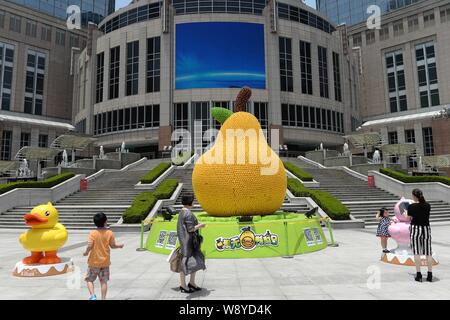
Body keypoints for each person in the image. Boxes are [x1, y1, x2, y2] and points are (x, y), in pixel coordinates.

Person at [83, 212, 124, 300]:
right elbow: (112, 246)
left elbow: (90, 245)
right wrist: (119, 246)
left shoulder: (93, 233)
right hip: (105, 262)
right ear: (106, 221)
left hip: (93, 262)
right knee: (103, 281)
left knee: (89, 280)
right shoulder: (109, 233)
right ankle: (103, 298)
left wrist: (86, 252)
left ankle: (93, 296)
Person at [177, 195, 206, 293]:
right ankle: (183, 285)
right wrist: (200, 226)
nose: (194, 203)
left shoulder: (182, 212)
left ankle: (191, 283)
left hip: (185, 241)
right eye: (193, 201)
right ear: (190, 202)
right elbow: (190, 229)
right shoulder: (188, 213)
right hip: (189, 242)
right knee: (185, 262)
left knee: (194, 260)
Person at [403, 189, 433, 282]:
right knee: (428, 252)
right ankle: (430, 275)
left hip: (416, 229)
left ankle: (419, 274)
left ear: (414, 196)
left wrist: (405, 213)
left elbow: (408, 218)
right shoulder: (428, 205)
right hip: (426, 229)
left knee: (417, 252)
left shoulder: (411, 206)